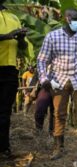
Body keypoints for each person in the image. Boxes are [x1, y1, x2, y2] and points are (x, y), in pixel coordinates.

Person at [37, 8, 77, 160]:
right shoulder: (52, 37)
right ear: (67, 19)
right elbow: (42, 60)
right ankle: (58, 147)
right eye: (76, 20)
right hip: (59, 81)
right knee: (59, 114)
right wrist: (44, 79)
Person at [0, 0, 28, 158]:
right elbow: (6, 37)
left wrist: (21, 38)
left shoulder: (14, 18)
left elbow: (22, 48)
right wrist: (7, 36)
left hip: (10, 69)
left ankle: (4, 147)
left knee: (5, 112)